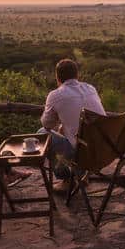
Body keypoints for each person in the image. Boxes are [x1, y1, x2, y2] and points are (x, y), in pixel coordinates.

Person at [39, 58, 106, 189]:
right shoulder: (90, 88)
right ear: (77, 75)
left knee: (41, 133)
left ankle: (67, 179)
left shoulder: (55, 95)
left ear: (57, 77)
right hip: (104, 148)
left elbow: (46, 124)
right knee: (65, 129)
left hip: (82, 154)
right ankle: (82, 175)